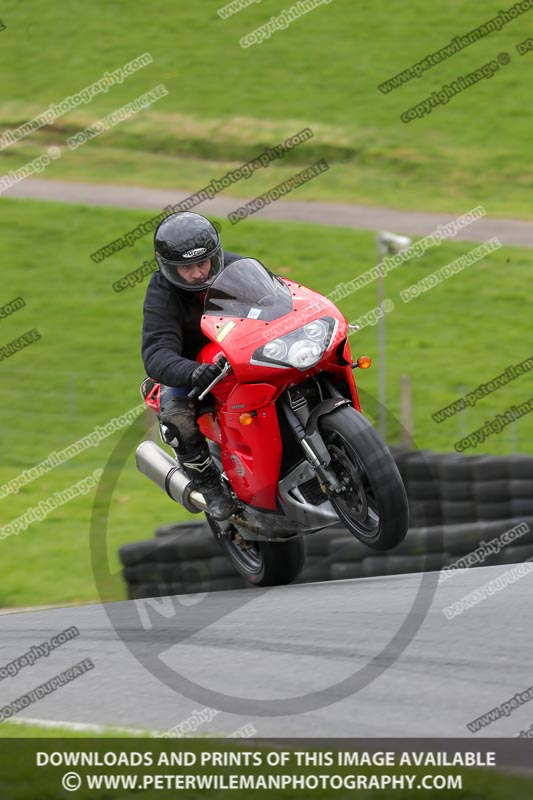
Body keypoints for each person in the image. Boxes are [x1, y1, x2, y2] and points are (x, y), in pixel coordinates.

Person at [141, 211, 242, 521]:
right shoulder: (162, 293)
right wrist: (191, 372)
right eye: (187, 268)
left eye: (203, 263)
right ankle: (210, 487)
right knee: (176, 417)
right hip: (195, 370)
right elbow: (156, 351)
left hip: (246, 354)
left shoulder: (240, 269)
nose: (198, 273)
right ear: (170, 267)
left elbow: (288, 298)